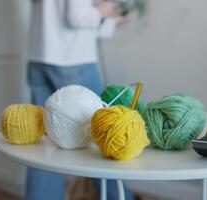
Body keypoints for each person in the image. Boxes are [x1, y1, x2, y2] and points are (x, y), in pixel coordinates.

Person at [26, 0, 135, 200]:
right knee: (100, 137)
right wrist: (104, 9)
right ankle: (120, 197)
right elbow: (76, 17)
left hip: (39, 59)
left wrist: (108, 21)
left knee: (43, 144)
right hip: (73, 62)